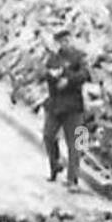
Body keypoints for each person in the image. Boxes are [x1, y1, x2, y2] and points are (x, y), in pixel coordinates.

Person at [42, 28, 91, 189]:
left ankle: (73, 179)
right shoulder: (53, 58)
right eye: (62, 42)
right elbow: (46, 75)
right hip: (55, 105)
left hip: (74, 107)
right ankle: (55, 164)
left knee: (76, 144)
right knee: (48, 136)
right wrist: (53, 77)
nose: (66, 44)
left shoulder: (80, 56)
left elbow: (85, 75)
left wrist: (68, 79)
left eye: (68, 40)